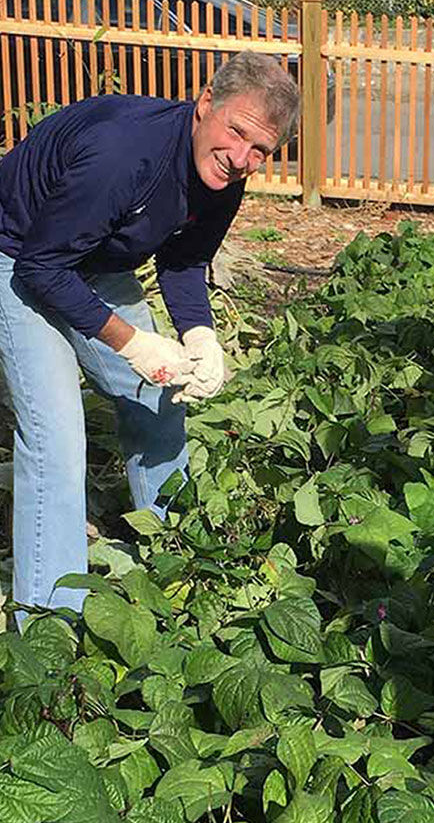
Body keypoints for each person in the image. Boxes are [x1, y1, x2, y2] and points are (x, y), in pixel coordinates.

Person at [0, 50, 299, 619]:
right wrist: (133, 343)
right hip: (16, 256)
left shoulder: (224, 176)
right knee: (57, 436)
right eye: (236, 132)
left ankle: (179, 556)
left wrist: (199, 337)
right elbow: (42, 267)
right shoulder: (124, 152)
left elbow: (184, 263)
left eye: (260, 150)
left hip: (90, 262)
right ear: (205, 104)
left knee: (160, 396)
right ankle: (46, 621)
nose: (240, 158)